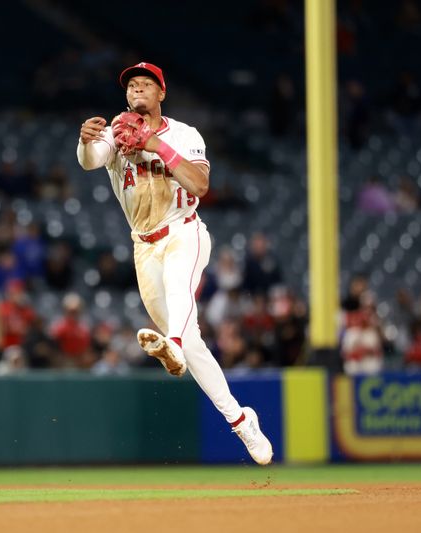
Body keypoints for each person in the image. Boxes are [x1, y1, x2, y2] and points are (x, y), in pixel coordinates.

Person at [76, 62, 273, 465]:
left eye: (146, 85)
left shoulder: (184, 135)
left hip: (185, 231)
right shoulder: (117, 135)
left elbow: (200, 185)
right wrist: (84, 141)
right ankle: (240, 420)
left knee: (180, 291)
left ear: (161, 93)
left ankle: (174, 348)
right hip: (144, 246)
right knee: (193, 342)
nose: (137, 92)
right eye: (131, 86)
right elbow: (90, 161)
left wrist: (157, 146)